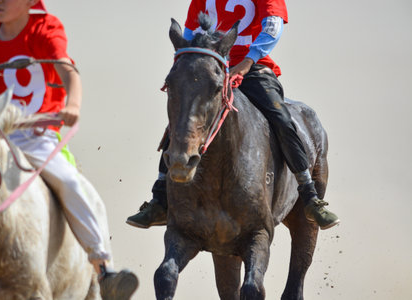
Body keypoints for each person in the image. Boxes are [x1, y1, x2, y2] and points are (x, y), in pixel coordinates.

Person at [0, 0, 138, 298]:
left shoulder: (45, 30)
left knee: (70, 182)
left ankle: (103, 267)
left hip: (33, 138)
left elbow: (67, 70)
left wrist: (72, 103)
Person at [127, 0, 340, 230]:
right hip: (211, 71)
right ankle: (160, 200)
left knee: (281, 118)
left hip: (255, 68)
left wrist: (248, 61)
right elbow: (189, 37)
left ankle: (309, 196)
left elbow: (273, 25)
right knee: (182, 119)